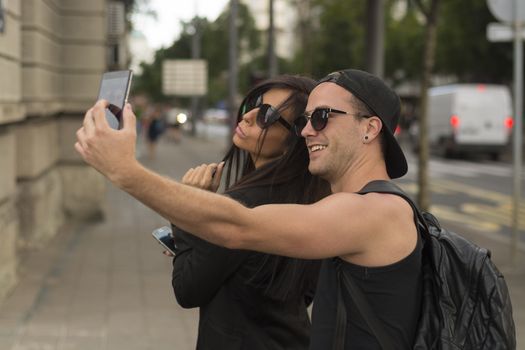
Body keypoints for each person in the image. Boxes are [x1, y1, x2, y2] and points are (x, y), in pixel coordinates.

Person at [75, 69, 422, 349]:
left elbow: (238, 226)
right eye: (303, 120)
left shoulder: (375, 211)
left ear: (370, 128)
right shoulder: (338, 204)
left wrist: (126, 171)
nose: (305, 131)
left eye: (322, 117)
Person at [167, 75, 330, 349]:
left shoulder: (244, 205)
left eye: (266, 115)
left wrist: (189, 210)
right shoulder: (313, 197)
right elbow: (305, 292)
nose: (247, 116)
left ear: (295, 138)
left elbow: (187, 289)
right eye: (254, 105)